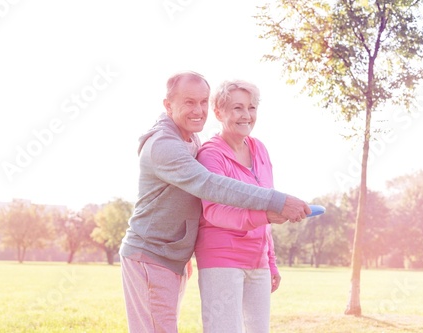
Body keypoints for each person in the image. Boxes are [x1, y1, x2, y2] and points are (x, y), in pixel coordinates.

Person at [119, 71, 310, 333]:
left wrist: (184, 246)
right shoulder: (165, 145)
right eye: (189, 102)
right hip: (151, 255)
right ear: (168, 105)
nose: (198, 110)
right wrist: (275, 202)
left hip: (170, 255)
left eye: (202, 102)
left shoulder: (189, 137)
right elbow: (209, 186)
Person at [195, 79, 286, 332]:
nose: (246, 115)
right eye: (237, 108)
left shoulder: (260, 150)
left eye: (252, 107)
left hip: (258, 260)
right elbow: (214, 211)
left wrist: (271, 259)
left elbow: (264, 204)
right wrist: (267, 214)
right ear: (219, 112)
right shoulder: (210, 154)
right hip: (221, 257)